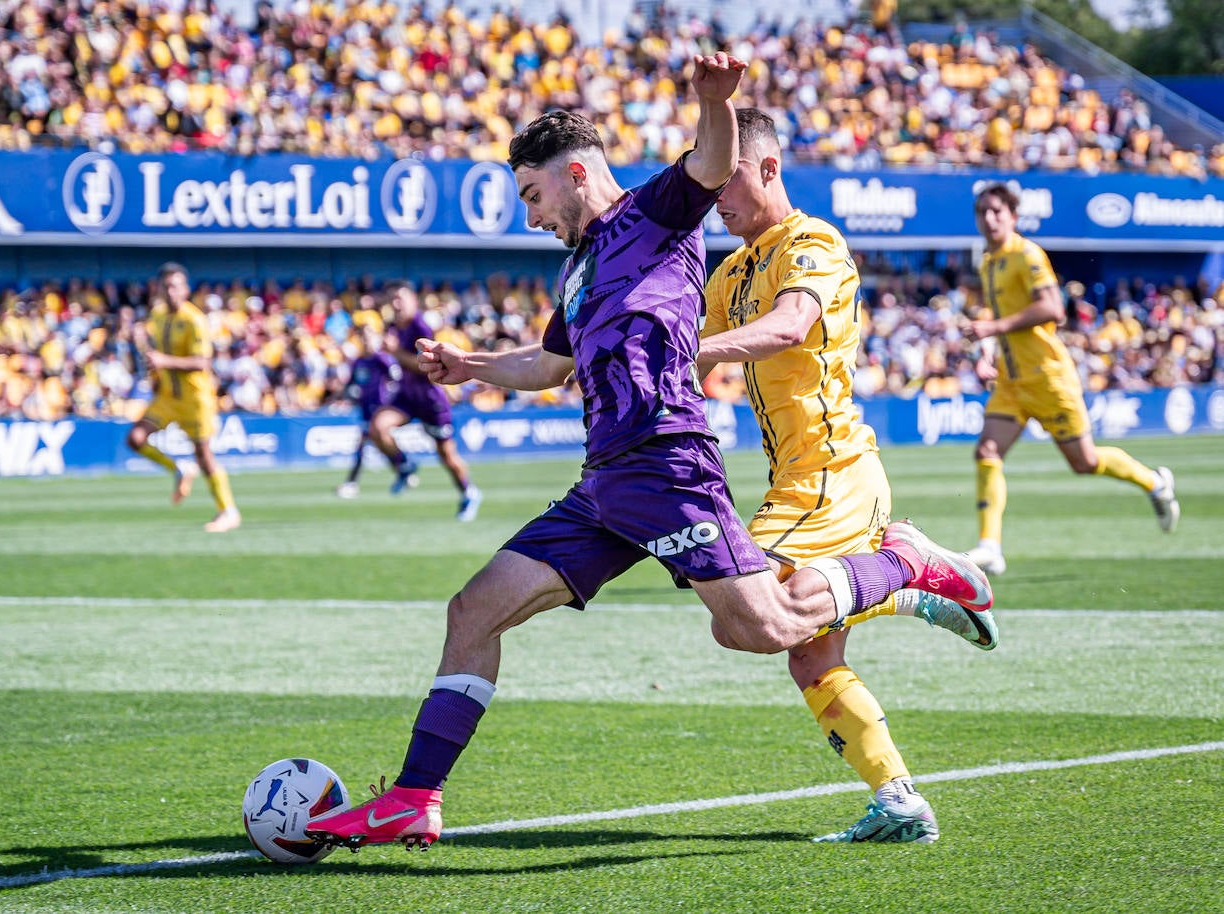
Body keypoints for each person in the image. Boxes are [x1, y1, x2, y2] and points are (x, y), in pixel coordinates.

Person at [302, 53, 991, 853]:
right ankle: (415, 797)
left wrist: (713, 100)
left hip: (667, 464)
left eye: (533, 196)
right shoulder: (577, 272)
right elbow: (550, 366)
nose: (530, 217)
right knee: (473, 610)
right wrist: (473, 367)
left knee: (764, 627)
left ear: (575, 174)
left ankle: (901, 561)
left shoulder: (653, 217)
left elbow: (710, 164)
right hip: (603, 485)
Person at [698, 108, 997, 845]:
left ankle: (905, 566)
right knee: (811, 655)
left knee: (745, 616)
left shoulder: (815, 243)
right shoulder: (730, 269)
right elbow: (699, 353)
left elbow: (789, 327)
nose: (716, 195)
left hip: (834, 475)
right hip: (797, 481)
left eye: (727, 178)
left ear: (768, 167)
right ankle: (899, 800)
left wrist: (693, 354)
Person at [964, 184, 1179, 575]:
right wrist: (986, 353)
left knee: (1085, 461)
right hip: (1011, 383)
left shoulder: (1026, 254)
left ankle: (1155, 482)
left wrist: (993, 326)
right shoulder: (989, 261)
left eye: (997, 211)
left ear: (1013, 216)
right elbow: (993, 317)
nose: (989, 219)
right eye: (982, 212)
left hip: (1047, 377)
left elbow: (1053, 308)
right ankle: (990, 546)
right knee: (987, 451)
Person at [125, 262, 240, 533]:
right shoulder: (158, 316)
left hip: (194, 398)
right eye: (166, 286)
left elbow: (202, 362)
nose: (171, 291)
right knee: (135, 439)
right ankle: (179, 468)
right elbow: (154, 355)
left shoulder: (195, 320)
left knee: (204, 454)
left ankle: (228, 511)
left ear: (185, 289)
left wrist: (163, 361)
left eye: (175, 285)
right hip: (166, 396)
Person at [369, 282, 483, 521]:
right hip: (406, 396)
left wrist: (396, 352)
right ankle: (405, 466)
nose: (396, 304)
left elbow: (425, 367)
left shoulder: (420, 326)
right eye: (393, 299)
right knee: (378, 428)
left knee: (447, 455)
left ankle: (469, 492)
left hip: (430, 398)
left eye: (401, 298)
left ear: (413, 301)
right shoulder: (392, 327)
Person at [336, 327, 402, 499]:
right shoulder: (358, 362)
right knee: (380, 445)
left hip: (379, 410)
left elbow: (397, 378)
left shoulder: (381, 359)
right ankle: (403, 468)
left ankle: (352, 483)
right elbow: (351, 384)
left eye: (369, 338)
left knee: (362, 445)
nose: (366, 341)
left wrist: (392, 397)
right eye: (363, 338)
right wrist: (345, 396)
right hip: (364, 410)